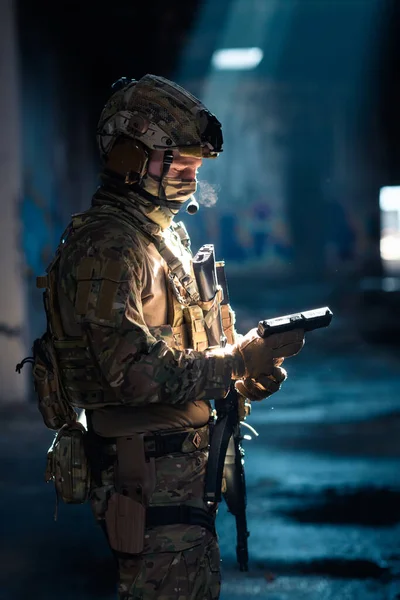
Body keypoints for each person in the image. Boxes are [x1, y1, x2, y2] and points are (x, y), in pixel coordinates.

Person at [37, 74, 304, 599]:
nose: (190, 178)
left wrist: (248, 372)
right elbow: (133, 377)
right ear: (129, 160)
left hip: (181, 473)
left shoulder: (162, 237)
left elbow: (193, 348)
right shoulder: (109, 249)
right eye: (178, 164)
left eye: (196, 167)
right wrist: (238, 363)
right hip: (147, 476)